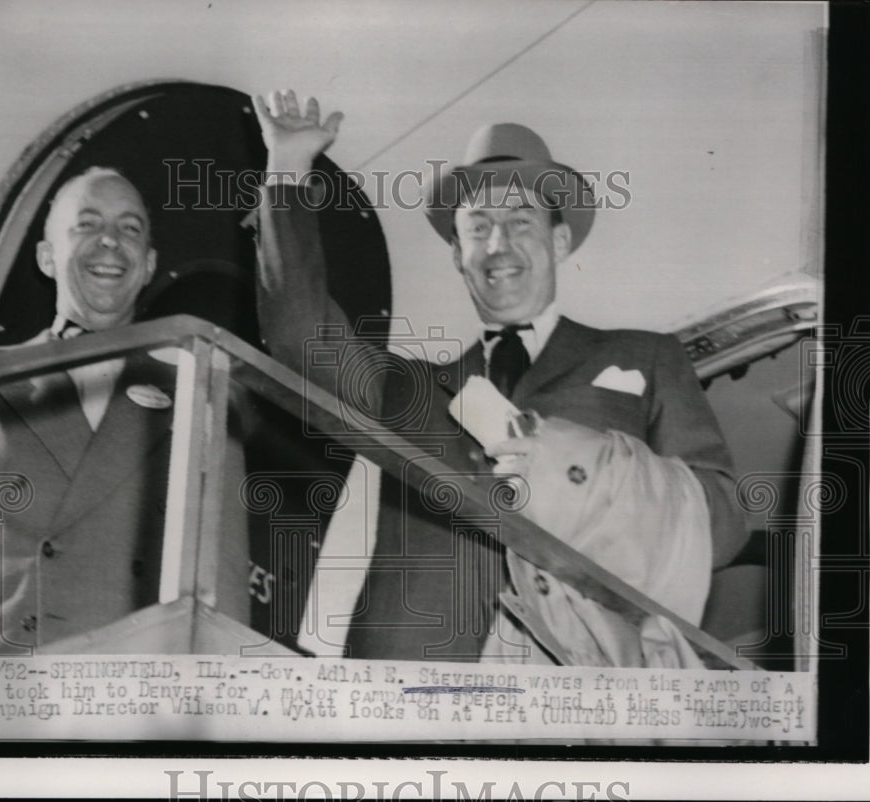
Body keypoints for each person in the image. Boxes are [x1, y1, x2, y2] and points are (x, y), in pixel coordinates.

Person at [251, 90, 746, 666]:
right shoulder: (408, 390)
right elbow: (300, 340)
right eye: (478, 227)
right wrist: (287, 168)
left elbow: (723, 520)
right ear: (457, 254)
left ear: (559, 241)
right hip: (422, 691)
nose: (497, 244)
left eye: (520, 221)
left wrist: (588, 470)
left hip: (579, 690)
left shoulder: (646, 358)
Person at [0, 167, 191, 655]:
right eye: (86, 224)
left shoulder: (196, 396)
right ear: (47, 257)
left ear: (148, 265)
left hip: (121, 699)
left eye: (130, 228)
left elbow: (220, 582)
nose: (110, 241)